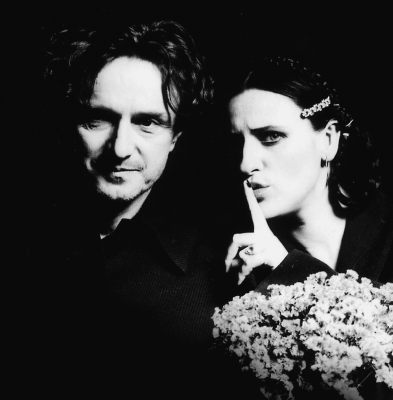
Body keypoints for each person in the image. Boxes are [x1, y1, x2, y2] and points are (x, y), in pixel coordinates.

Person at [6, 20, 245, 400]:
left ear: (175, 138)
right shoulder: (21, 242)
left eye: (147, 123)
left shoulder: (226, 264)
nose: (119, 149)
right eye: (97, 119)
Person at [222, 56, 393, 399]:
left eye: (271, 136)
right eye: (236, 143)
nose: (245, 163)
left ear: (328, 140)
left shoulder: (392, 228)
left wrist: (290, 268)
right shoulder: (241, 265)